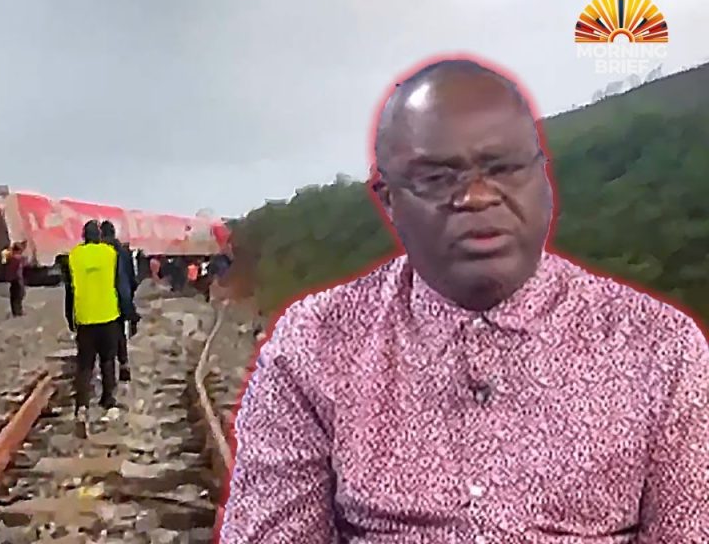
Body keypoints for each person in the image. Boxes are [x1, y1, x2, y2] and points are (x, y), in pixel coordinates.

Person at [220, 59, 709, 543]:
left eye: (503, 168)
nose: (475, 196)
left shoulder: (660, 347)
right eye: (437, 178)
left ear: (544, 180)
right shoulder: (315, 344)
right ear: (388, 201)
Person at [63, 220, 131, 438]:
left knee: (84, 365)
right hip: (109, 316)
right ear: (99, 236)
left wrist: (70, 317)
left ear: (83, 236)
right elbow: (120, 286)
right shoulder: (110, 254)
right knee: (107, 360)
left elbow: (70, 290)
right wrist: (128, 312)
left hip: (85, 318)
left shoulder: (74, 256)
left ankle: (82, 407)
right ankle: (108, 401)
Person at [99, 220, 140, 382]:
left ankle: (108, 376)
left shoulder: (102, 252)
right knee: (120, 334)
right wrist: (129, 301)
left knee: (106, 337)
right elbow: (130, 278)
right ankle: (124, 365)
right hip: (122, 297)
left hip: (106, 298)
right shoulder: (123, 251)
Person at [3, 242, 25, 316]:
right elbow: (19, 271)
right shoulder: (18, 259)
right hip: (17, 280)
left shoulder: (10, 258)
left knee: (14, 298)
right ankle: (18, 312)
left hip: (12, 280)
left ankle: (15, 312)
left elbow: (4, 260)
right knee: (18, 296)